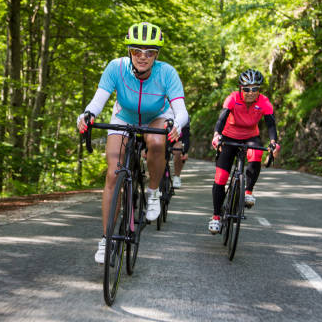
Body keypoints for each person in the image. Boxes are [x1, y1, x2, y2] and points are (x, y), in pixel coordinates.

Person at [77, 22, 189, 263]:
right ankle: (106, 239)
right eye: (137, 51)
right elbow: (97, 102)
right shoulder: (115, 68)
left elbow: (181, 111)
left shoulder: (167, 72)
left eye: (149, 52)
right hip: (124, 116)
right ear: (130, 51)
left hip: (158, 116)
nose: (143, 57)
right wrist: (87, 115)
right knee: (113, 174)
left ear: (156, 55)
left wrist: (176, 125)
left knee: (157, 143)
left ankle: (153, 192)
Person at [208, 68, 280, 234]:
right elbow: (221, 119)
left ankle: (248, 191)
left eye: (255, 89)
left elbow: (270, 124)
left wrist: (274, 143)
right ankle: (216, 217)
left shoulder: (264, 102)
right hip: (229, 136)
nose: (250, 93)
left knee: (256, 153)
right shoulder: (232, 98)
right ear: (240, 88)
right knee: (221, 177)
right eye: (246, 89)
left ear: (259, 90)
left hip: (250, 136)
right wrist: (216, 135)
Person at [172, 121, 190, 188]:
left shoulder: (183, 114)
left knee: (179, 150)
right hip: (162, 138)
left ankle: (177, 176)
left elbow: (186, 136)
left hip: (177, 139)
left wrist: (185, 151)